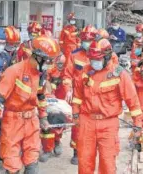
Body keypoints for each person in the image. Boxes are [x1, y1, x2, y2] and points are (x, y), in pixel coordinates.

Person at [72, 38, 142, 174]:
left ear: (107, 56)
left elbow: (133, 102)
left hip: (108, 124)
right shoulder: (86, 71)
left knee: (107, 164)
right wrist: (75, 114)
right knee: (84, 163)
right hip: (87, 122)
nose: (94, 63)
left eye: (97, 60)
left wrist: (137, 125)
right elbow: (77, 96)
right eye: (91, 59)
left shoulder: (119, 74)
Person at [0, 36, 60, 174]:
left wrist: (43, 117)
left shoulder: (41, 74)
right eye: (48, 60)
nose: (50, 64)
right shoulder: (13, 71)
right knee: (12, 161)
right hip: (12, 121)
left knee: (32, 160)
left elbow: (41, 96)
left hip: (31, 121)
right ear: (37, 56)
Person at [62, 24, 98, 165]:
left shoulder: (99, 56)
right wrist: (68, 89)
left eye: (89, 40)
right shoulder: (75, 54)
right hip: (77, 97)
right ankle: (76, 152)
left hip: (94, 98)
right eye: (84, 39)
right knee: (77, 126)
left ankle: (90, 150)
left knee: (93, 125)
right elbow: (67, 75)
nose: (86, 43)